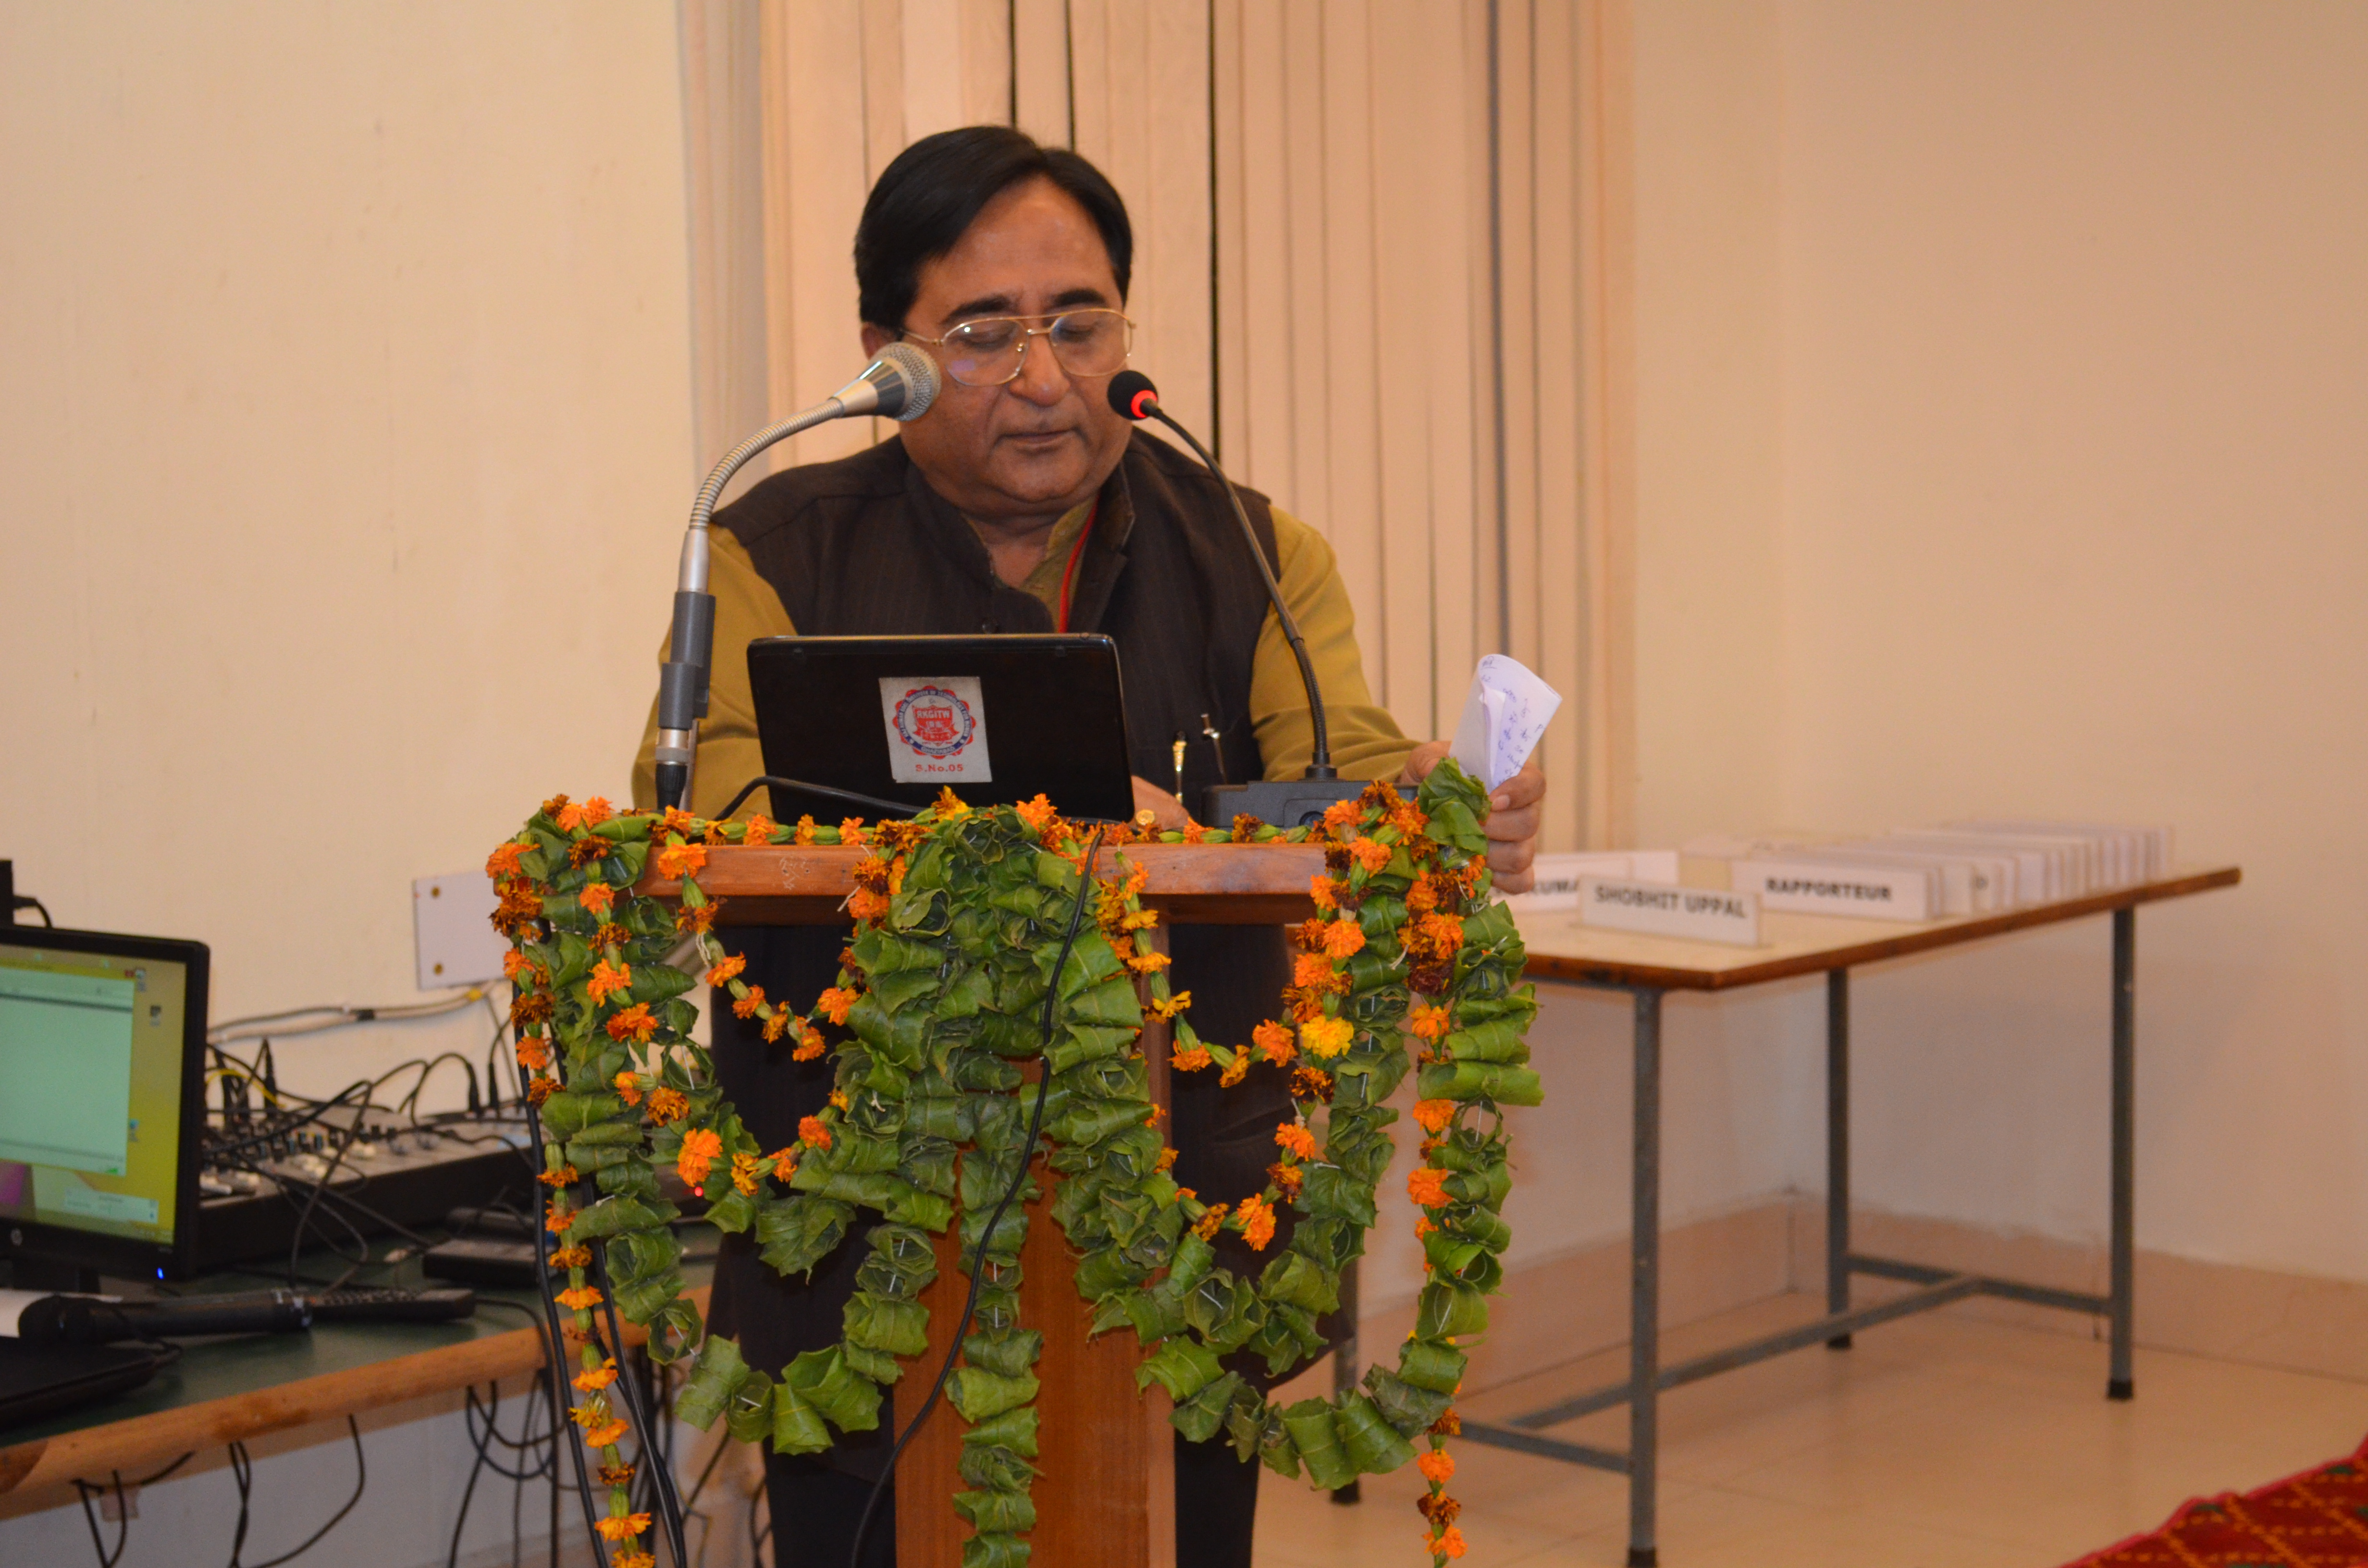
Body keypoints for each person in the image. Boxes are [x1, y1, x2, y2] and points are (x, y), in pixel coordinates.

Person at [631, 125, 1545, 1568]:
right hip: (863, 1220)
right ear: (887, 356)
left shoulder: (1252, 549)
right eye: (984, 333)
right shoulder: (770, 550)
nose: (1045, 378)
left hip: (1179, 1224)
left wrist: (1435, 796)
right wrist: (1055, 834)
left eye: (1079, 322)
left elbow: (1336, 773)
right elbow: (715, 826)